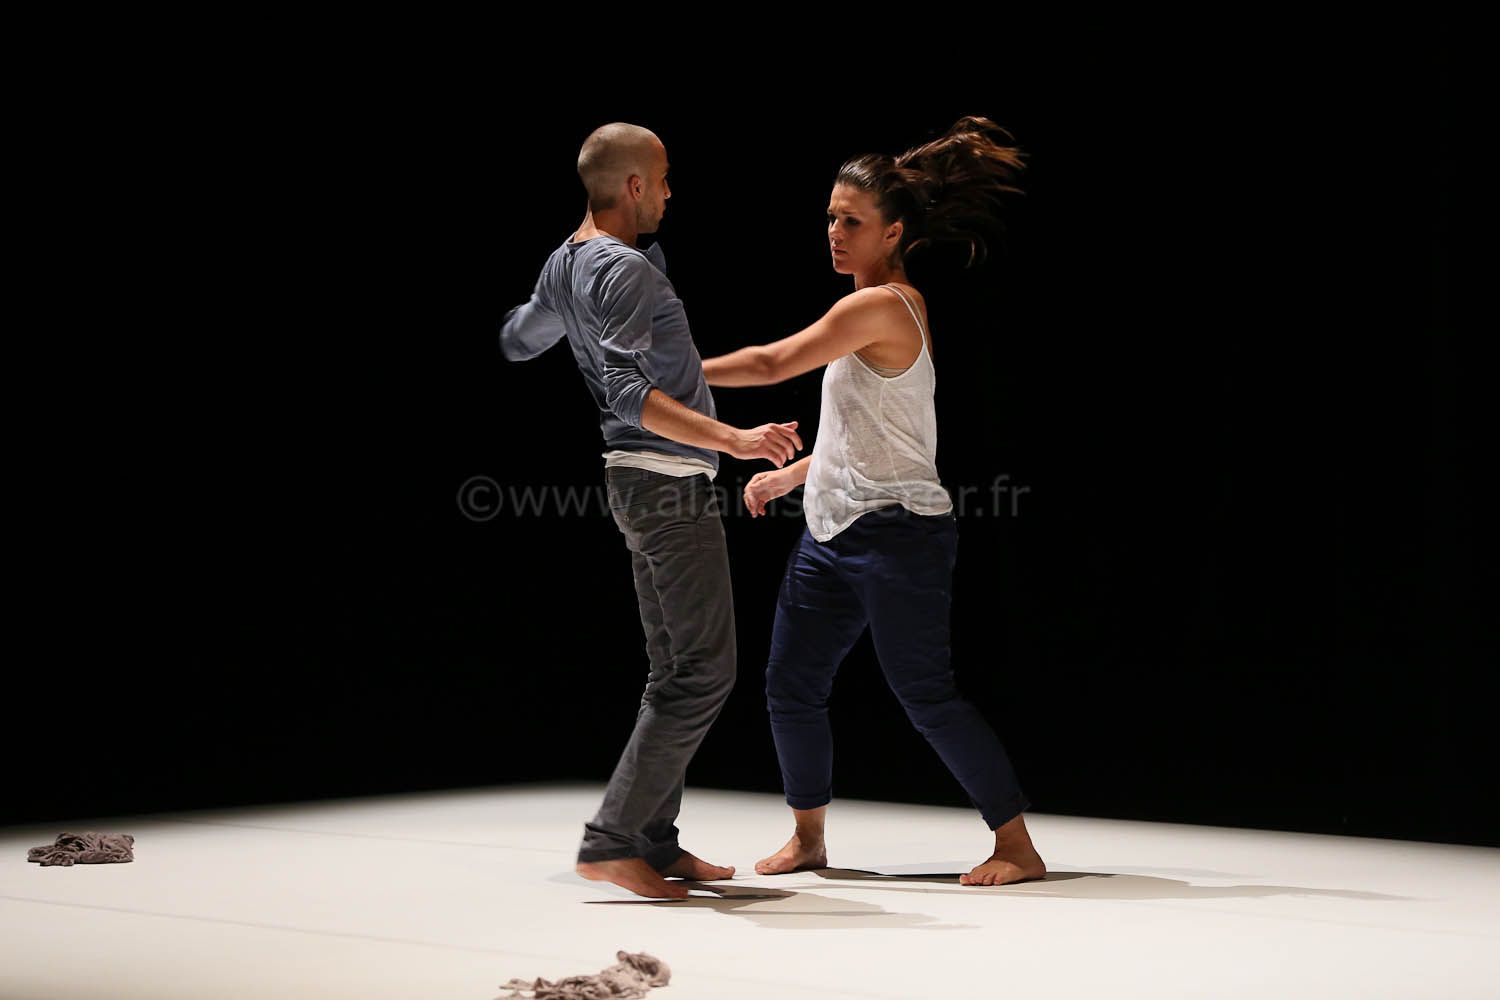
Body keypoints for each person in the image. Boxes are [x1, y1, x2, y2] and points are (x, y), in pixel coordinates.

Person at [700, 116, 1046, 887]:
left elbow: (771, 363)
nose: (834, 231)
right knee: (790, 686)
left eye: (851, 221)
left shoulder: (883, 306)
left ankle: (1017, 845)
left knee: (925, 694)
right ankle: (809, 839)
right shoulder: (869, 311)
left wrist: (669, 371)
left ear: (893, 232)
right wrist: (791, 477)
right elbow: (867, 433)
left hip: (900, 536)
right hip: (831, 532)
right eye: (830, 217)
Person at [499, 122, 803, 900]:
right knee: (704, 671)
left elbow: (518, 341)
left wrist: (560, 307)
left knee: (675, 669)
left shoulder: (568, 262)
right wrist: (735, 439)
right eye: (663, 178)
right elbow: (630, 395)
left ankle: (651, 838)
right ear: (634, 185)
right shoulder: (621, 268)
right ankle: (611, 840)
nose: (670, 192)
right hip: (664, 481)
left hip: (637, 483)